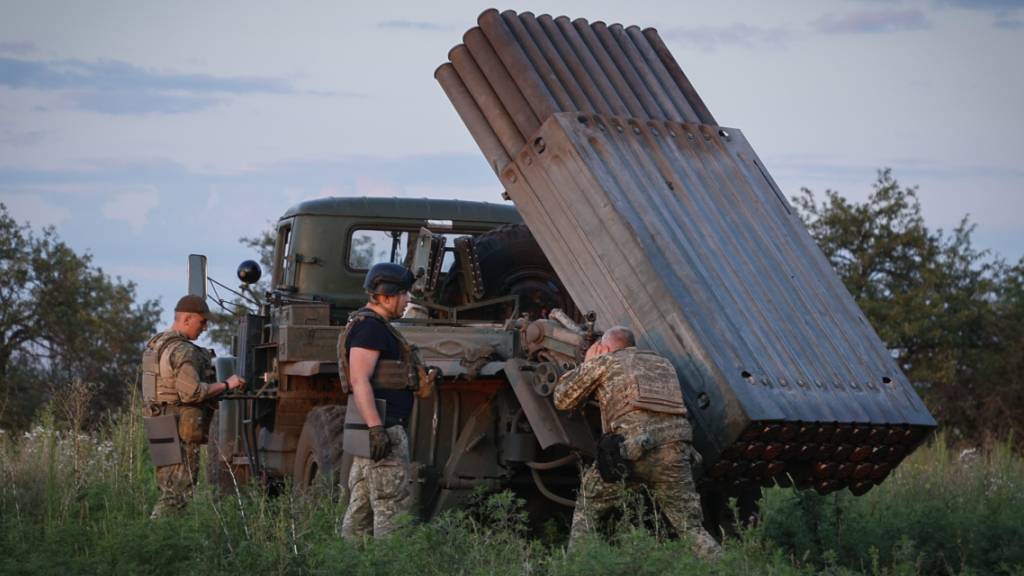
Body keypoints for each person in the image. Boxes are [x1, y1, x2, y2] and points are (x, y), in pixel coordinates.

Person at [553, 326, 721, 559]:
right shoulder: (664, 364)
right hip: (676, 452)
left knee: (587, 504)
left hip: (632, 452)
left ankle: (577, 565)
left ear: (606, 347)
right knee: (690, 528)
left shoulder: (606, 362)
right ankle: (724, 566)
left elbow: (562, 398)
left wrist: (589, 362)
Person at [338, 262, 425, 539]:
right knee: (392, 515)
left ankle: (349, 566)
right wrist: (376, 428)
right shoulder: (371, 328)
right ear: (387, 296)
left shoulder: (371, 326)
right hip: (383, 431)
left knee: (360, 512)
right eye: (403, 294)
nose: (408, 300)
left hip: (374, 431)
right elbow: (359, 379)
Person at [142, 294, 245, 519]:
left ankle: (158, 538)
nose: (205, 328)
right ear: (187, 318)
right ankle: (160, 538)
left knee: (167, 488)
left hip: (158, 422)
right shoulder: (182, 350)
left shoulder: (156, 344)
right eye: (202, 321)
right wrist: (228, 384)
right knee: (178, 494)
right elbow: (193, 392)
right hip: (179, 426)